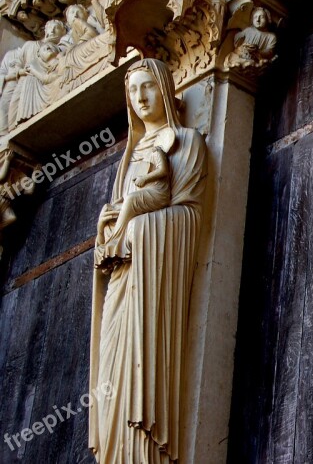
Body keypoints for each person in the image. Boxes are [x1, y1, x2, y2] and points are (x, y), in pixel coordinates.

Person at [89, 59, 207, 463]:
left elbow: (190, 214)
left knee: (139, 368)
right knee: (111, 369)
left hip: (153, 270)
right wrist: (105, 230)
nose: (140, 98)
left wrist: (136, 231)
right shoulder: (131, 154)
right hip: (124, 275)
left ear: (164, 88)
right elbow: (123, 215)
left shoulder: (186, 141)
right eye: (133, 91)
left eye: (148, 87)